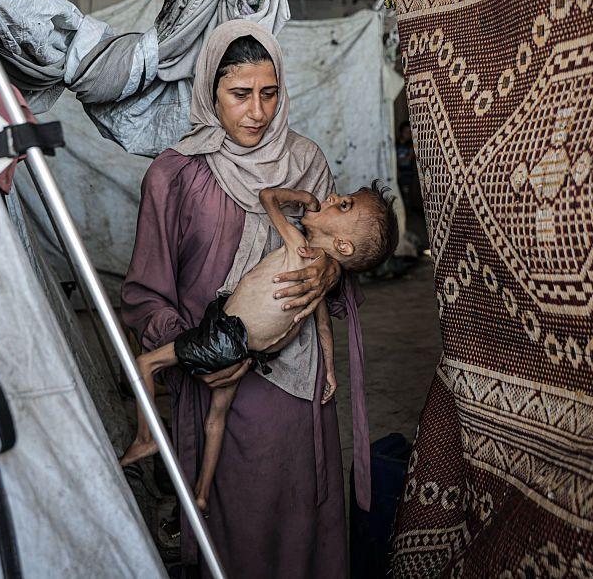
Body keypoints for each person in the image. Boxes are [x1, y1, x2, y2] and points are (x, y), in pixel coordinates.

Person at [121, 19, 372, 577]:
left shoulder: (305, 160)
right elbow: (143, 296)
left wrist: (330, 271)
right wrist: (201, 352)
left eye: (270, 93)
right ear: (210, 92)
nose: (257, 112)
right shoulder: (174, 175)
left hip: (298, 385)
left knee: (302, 514)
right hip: (220, 378)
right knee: (235, 524)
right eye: (239, 94)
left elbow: (337, 250)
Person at [121, 182, 398, 514]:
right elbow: (324, 327)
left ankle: (146, 438)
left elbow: (267, 196)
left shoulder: (299, 248)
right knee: (216, 419)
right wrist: (329, 371)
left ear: (342, 244)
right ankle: (202, 494)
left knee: (145, 364)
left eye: (344, 206)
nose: (335, 197)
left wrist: (299, 198)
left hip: (225, 337)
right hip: (248, 354)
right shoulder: (318, 283)